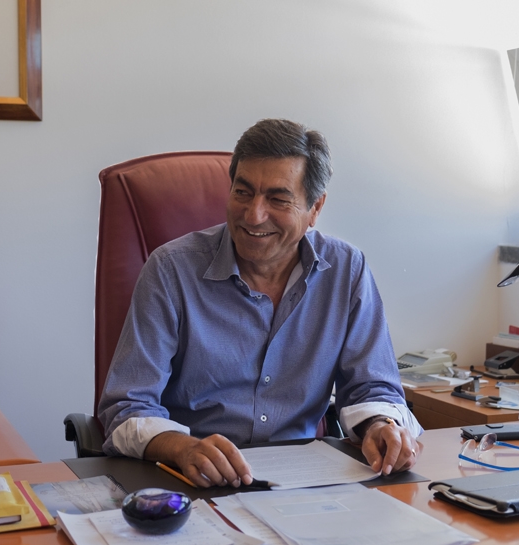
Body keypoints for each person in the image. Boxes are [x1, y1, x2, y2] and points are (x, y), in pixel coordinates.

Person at [98, 118, 423, 488]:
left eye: (278, 199)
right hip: (189, 481)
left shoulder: (346, 270)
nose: (253, 215)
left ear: (315, 208)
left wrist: (382, 426)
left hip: (304, 484)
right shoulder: (171, 269)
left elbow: (374, 387)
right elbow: (126, 408)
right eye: (243, 192)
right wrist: (183, 448)